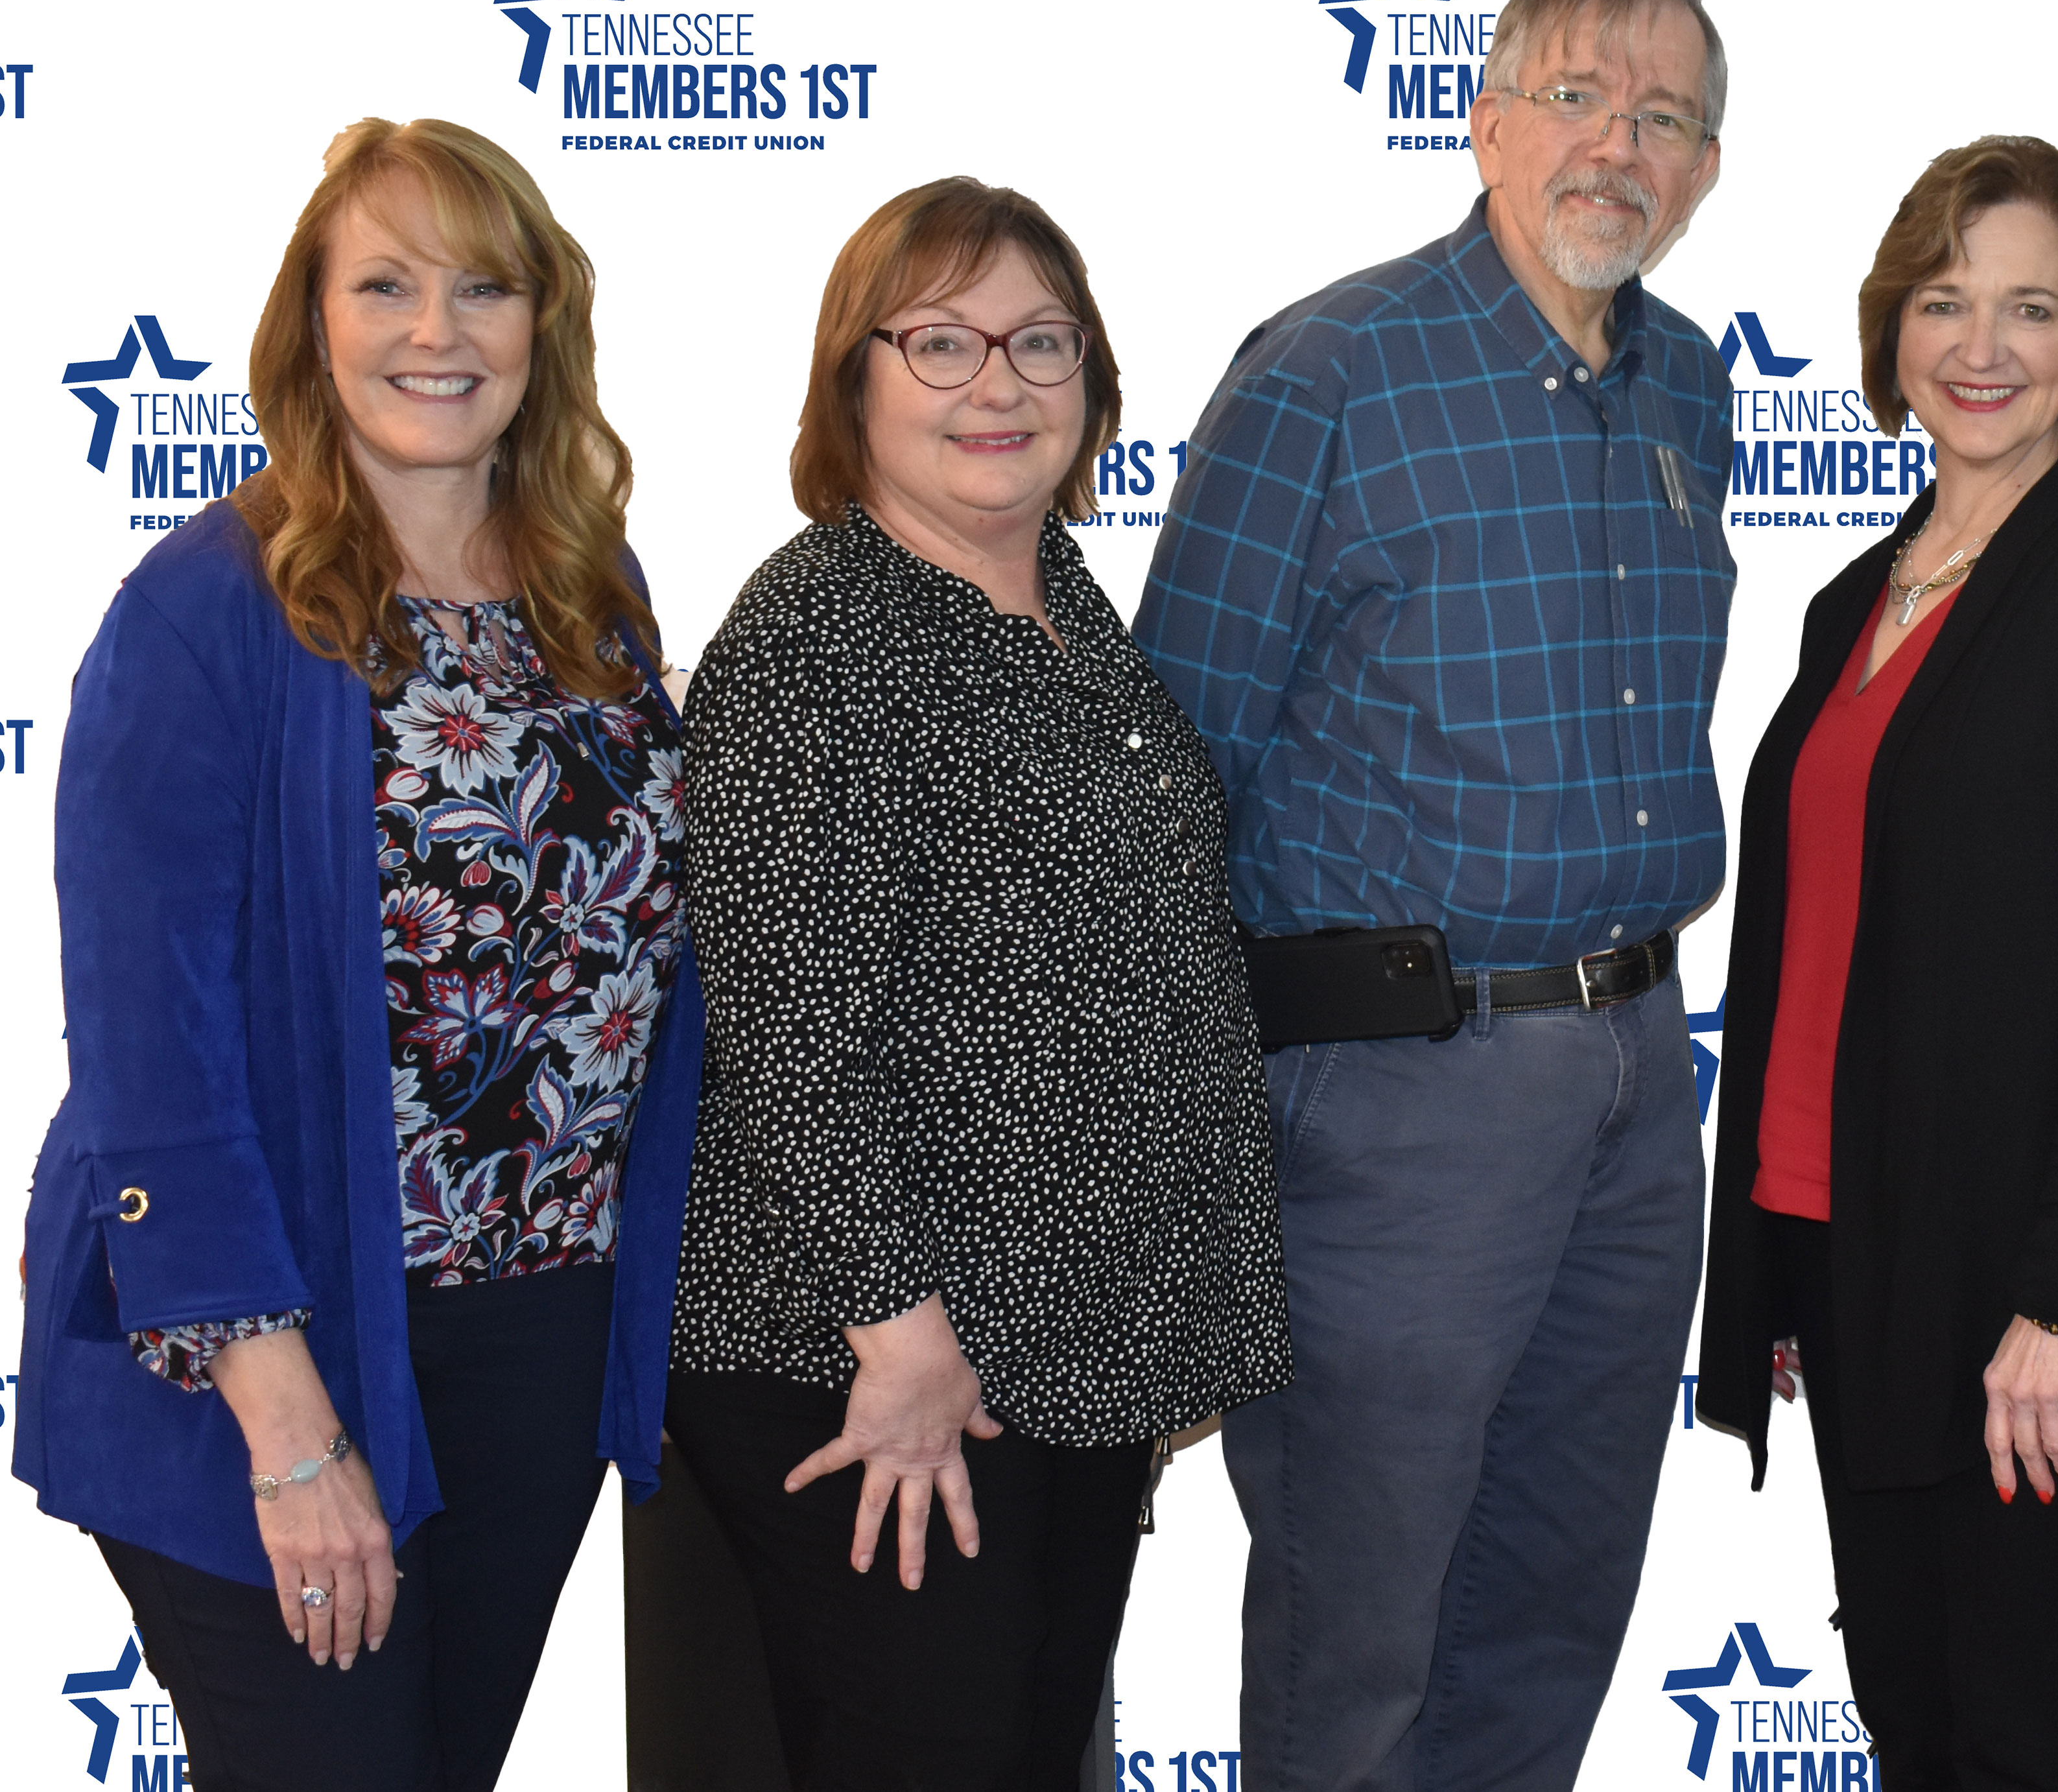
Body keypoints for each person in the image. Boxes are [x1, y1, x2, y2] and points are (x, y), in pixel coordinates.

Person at [13, 119, 705, 1792]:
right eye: (384, 282)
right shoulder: (213, 603)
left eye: (484, 285)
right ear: (309, 324)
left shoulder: (584, 591)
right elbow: (147, 1036)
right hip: (284, 1338)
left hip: (541, 1326)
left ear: (545, 323)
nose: (435, 330)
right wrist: (288, 1421)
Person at [1133, 0, 1736, 1791]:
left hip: (1638, 1081)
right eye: (1573, 94)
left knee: (1550, 1605)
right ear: (1478, 115)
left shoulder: (1688, 387)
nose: (1614, 146)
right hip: (1397, 1095)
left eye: (1665, 117)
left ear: (1708, 165)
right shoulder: (1327, 371)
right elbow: (1173, 769)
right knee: (1361, 1634)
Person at [665, 178, 1288, 1790]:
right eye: (937, 341)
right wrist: (903, 1335)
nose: (995, 384)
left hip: (1068, 1351)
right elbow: (792, 1026)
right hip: (879, 1367)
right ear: (850, 380)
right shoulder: (821, 631)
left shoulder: (1066, 605)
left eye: (1038, 341)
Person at [1693, 137, 2058, 1789]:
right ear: (1889, 332)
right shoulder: (1859, 592)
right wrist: (1777, 1261)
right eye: (1942, 299)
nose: (1979, 347)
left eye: (2027, 307)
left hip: (2024, 1298)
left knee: (2022, 1727)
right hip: (1859, 1253)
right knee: (1913, 1716)